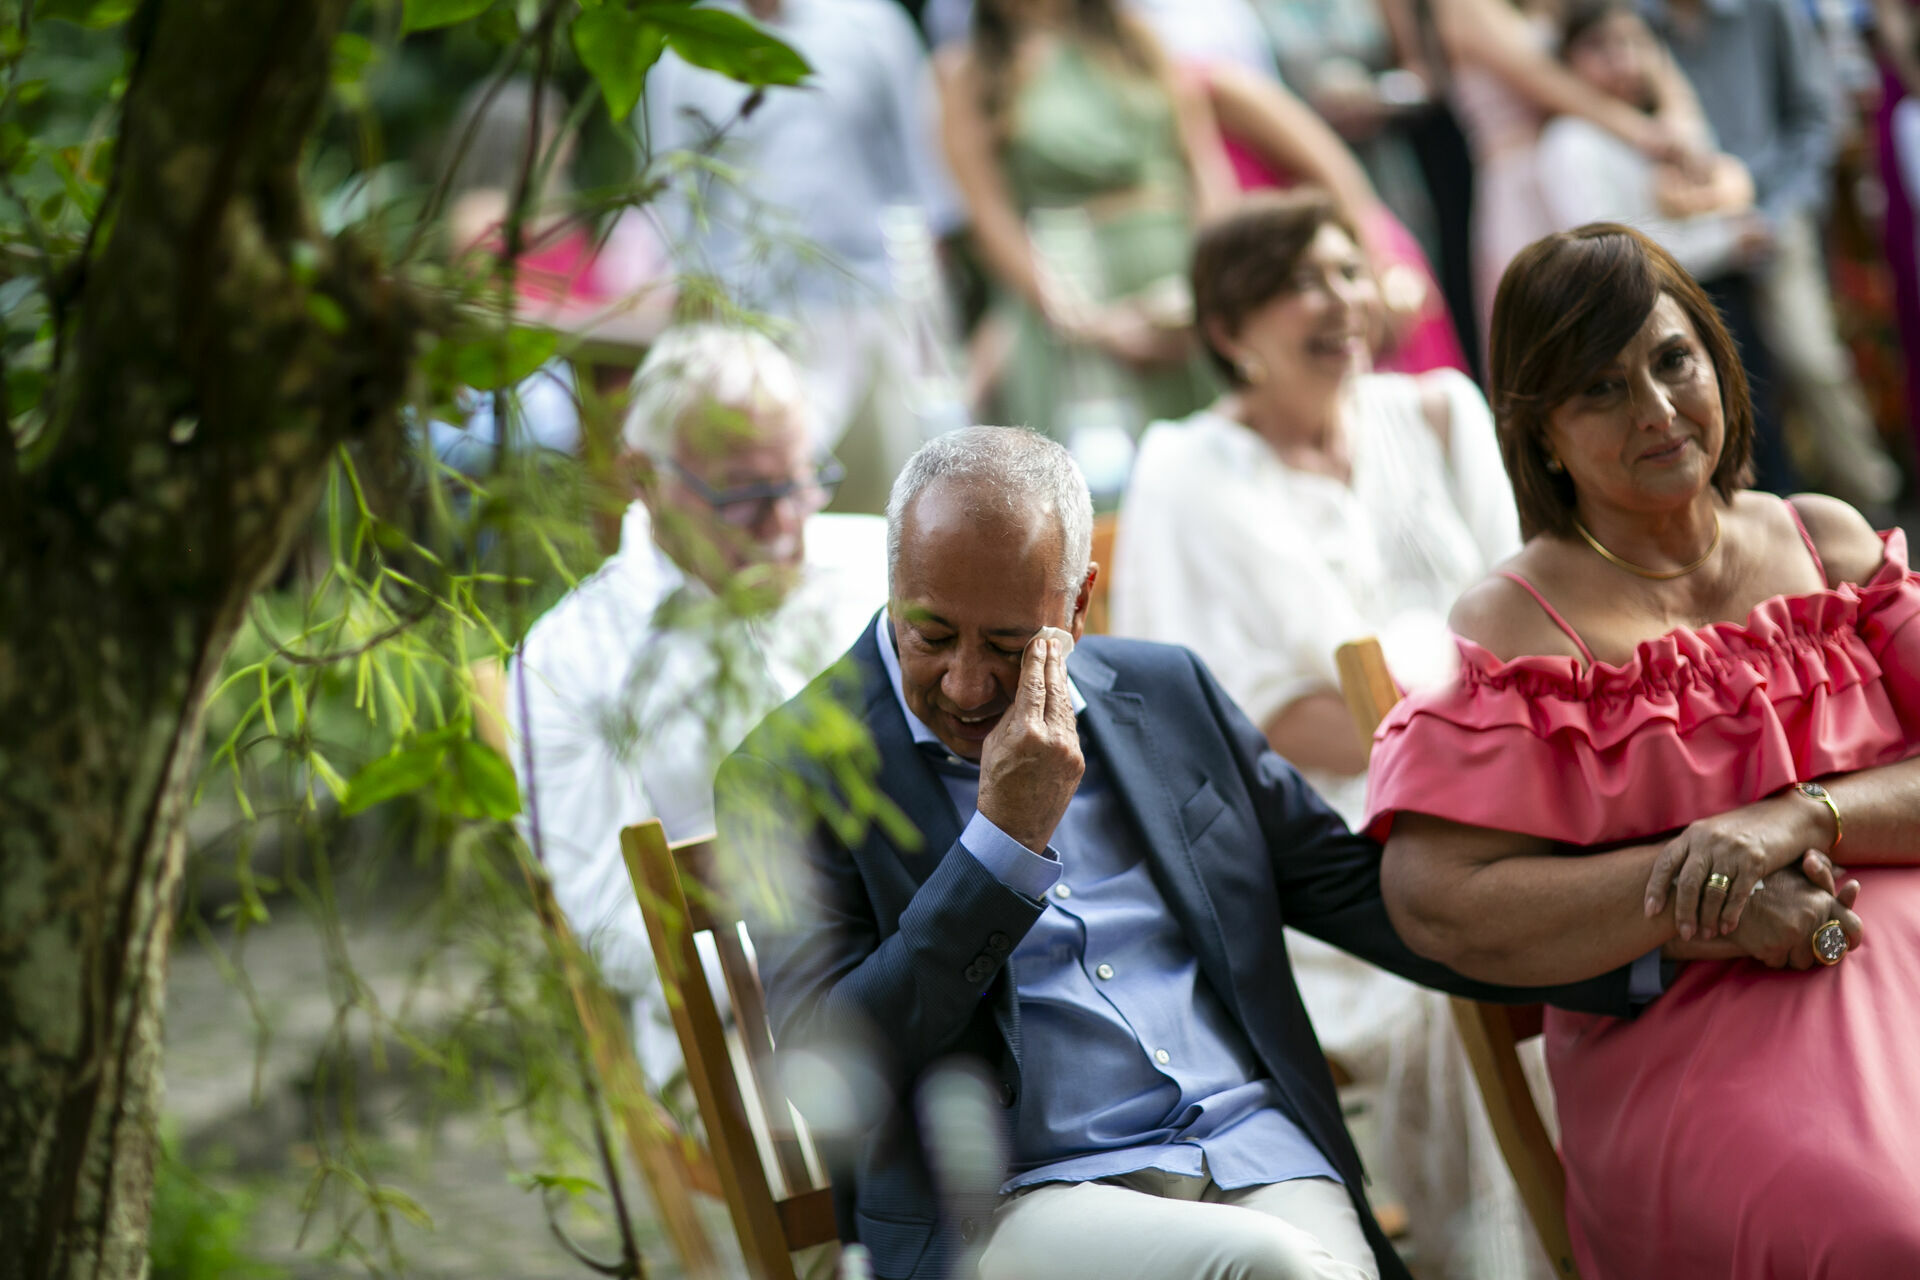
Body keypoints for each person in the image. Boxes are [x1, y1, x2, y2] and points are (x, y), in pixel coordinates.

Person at [716, 425, 1668, 1280]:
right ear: (892, 588)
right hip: (1016, 1203)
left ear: (1077, 603)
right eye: (931, 634)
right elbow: (834, 1060)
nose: (966, 682)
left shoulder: (1165, 695)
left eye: (1010, 642)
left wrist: (1646, 949)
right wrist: (1000, 848)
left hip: (1253, 1149)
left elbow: (1361, 891)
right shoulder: (788, 771)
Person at [1365, 224, 1920, 1277]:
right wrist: (1705, 905)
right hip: (1702, 1043)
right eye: (1602, 390)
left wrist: (1798, 813)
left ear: (1716, 354)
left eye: (1672, 360)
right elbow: (1436, 897)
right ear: (1540, 435)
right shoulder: (1512, 626)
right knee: (1884, 1228)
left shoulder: (1829, 543)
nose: (1659, 412)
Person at [1109, 192, 1541, 1279]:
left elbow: (1536, 626)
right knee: (1457, 969)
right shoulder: (1189, 468)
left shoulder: (1439, 414)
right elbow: (1230, 718)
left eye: (1351, 272)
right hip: (1318, 843)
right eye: (1304, 282)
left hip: (1522, 782)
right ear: (1229, 329)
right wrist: (1431, 734)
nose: (1341, 300)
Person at [506, 326, 885, 1082]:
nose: (784, 526)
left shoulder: (879, 564)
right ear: (641, 477)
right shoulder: (570, 662)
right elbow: (616, 929)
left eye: (802, 482)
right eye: (745, 496)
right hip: (744, 1041)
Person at [646, 0, 966, 511]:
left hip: (875, 314)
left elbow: (926, 183)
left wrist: (930, 333)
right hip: (751, 328)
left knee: (896, 501)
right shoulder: (684, 47)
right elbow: (675, 206)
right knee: (773, 510)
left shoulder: (872, 24)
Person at [935, 0, 1230, 480]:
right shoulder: (968, 74)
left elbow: (1205, 170)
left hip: (1184, 292)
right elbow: (990, 221)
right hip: (1072, 312)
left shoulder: (1138, 40)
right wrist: (1094, 325)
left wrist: (1210, 288)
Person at [1641, 0, 1902, 512]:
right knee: (1717, 375)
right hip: (1690, 230)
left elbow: (1813, 117)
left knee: (1809, 358)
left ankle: (1873, 501)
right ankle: (1761, 518)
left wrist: (1775, 213)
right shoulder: (1640, 24)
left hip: (1775, 211)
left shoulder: (1768, 10)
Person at [1533, 0, 1796, 493]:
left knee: (1761, 417)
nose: (1623, 60)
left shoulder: (1662, 127)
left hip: (1725, 291)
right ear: (1567, 63)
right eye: (1601, 48)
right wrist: (1723, 241)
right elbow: (1610, 251)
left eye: (1634, 44)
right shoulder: (1570, 144)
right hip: (1660, 313)